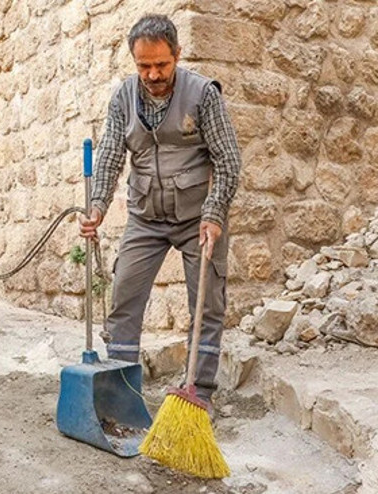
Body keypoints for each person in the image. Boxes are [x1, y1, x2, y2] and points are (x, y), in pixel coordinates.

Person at [79, 14, 242, 410]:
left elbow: (228, 160)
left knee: (207, 306)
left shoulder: (203, 94)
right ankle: (121, 393)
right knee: (123, 299)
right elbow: (111, 155)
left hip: (197, 218)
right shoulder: (123, 97)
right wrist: (97, 206)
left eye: (161, 65)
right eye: (144, 66)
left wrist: (214, 213)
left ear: (177, 55)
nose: (152, 74)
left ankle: (198, 394)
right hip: (145, 217)